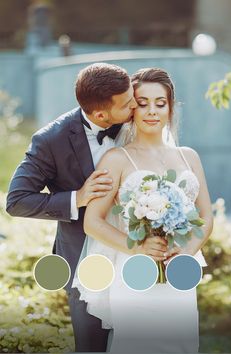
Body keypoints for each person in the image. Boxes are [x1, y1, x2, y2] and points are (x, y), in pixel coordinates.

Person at [6, 63, 171, 352]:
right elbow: (17, 200)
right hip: (84, 256)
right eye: (129, 103)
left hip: (139, 251)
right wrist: (76, 198)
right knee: (92, 344)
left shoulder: (133, 119)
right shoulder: (50, 141)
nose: (136, 106)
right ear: (101, 115)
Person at [73, 68, 214, 353]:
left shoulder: (189, 157)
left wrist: (186, 254)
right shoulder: (116, 159)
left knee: (182, 345)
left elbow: (206, 217)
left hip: (179, 273)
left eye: (160, 103)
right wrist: (137, 247)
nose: (152, 111)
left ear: (170, 108)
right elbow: (92, 222)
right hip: (136, 270)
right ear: (131, 109)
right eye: (142, 103)